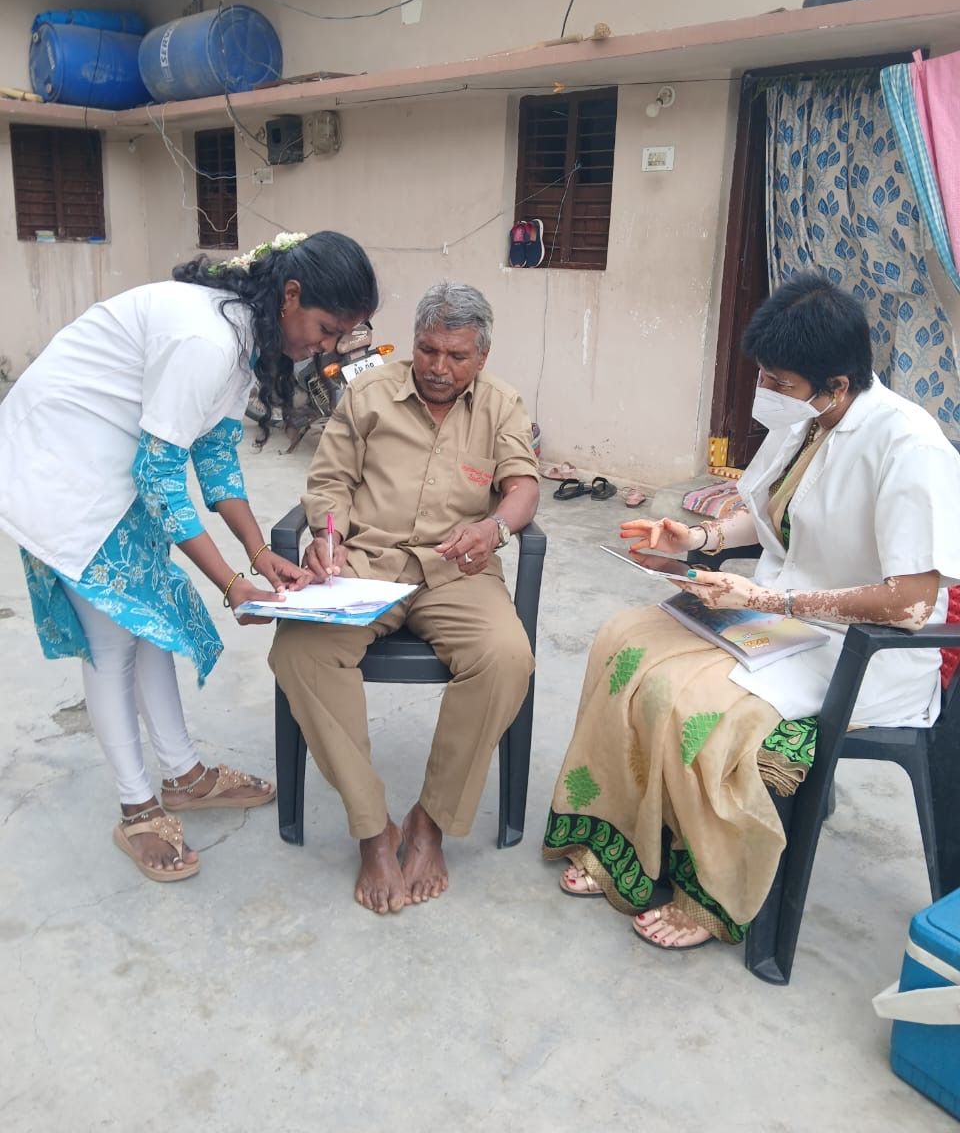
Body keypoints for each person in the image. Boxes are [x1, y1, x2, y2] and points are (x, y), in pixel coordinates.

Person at [544, 273, 960, 950]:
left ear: (838, 385)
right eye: (765, 375)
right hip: (779, 620)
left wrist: (770, 599)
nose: (767, 392)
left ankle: (710, 891)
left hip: (859, 649)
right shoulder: (807, 425)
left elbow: (912, 601)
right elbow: (771, 521)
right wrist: (696, 540)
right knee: (625, 641)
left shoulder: (909, 448)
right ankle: (622, 842)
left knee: (695, 703)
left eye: (781, 382)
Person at [0, 230, 379, 883]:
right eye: (324, 328)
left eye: (339, 335)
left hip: (112, 461)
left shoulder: (242, 337)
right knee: (115, 640)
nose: (324, 347)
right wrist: (232, 584)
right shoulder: (207, 341)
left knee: (152, 629)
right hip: (62, 468)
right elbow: (159, 475)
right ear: (291, 296)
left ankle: (182, 776)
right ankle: (138, 807)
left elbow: (213, 453)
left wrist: (260, 555)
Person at [270, 282, 540, 914]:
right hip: (368, 563)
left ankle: (429, 822)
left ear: (483, 355)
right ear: (412, 343)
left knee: (506, 657)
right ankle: (373, 829)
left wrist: (495, 529)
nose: (439, 368)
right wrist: (327, 537)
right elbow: (330, 480)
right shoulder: (367, 393)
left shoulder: (501, 405)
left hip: (458, 570)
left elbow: (523, 488)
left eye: (456, 356)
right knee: (300, 650)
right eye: (427, 350)